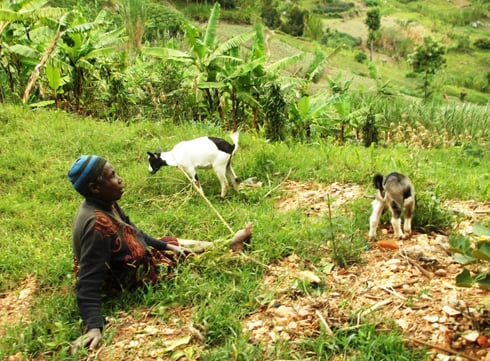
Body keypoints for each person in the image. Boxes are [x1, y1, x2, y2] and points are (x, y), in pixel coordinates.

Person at [67, 155, 251, 354]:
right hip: (125, 277)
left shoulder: (105, 202)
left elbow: (134, 231)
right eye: (113, 176)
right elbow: (88, 282)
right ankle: (225, 246)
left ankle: (224, 245)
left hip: (130, 254)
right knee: (180, 260)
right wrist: (94, 326)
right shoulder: (96, 228)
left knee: (172, 244)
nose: (120, 179)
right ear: (95, 187)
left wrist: (163, 246)